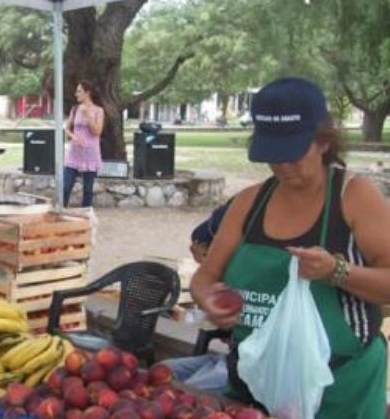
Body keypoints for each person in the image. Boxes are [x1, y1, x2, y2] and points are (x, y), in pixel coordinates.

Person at [190, 77, 390, 417]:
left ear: (323, 141)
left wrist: (336, 271)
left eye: (293, 153)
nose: (282, 165)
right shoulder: (249, 203)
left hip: (339, 392)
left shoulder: (354, 197)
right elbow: (205, 276)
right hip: (255, 384)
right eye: (272, 154)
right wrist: (206, 298)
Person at [162, 200, 232, 393]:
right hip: (228, 359)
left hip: (248, 369)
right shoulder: (241, 207)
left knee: (188, 392)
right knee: (161, 371)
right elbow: (200, 238)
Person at [64, 80, 104, 207]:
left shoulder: (98, 111)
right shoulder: (75, 109)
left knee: (87, 189)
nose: (76, 94)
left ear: (87, 93)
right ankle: (61, 212)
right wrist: (73, 137)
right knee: (65, 186)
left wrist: (87, 115)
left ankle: (86, 214)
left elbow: (97, 131)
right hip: (74, 153)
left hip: (90, 154)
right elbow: (67, 128)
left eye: (79, 91)